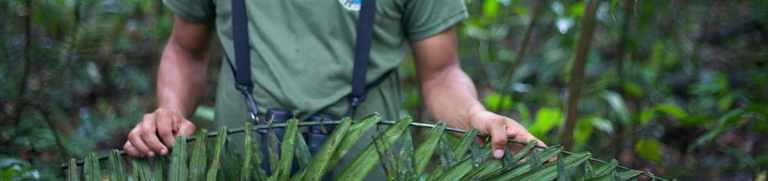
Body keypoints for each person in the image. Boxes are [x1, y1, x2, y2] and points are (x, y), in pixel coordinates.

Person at [123, 0, 544, 167]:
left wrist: (476, 115)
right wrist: (171, 114)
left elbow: (440, 74)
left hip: (368, 167)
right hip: (243, 163)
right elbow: (185, 48)